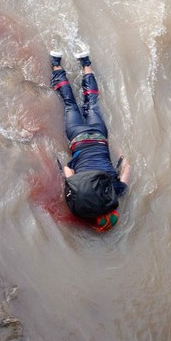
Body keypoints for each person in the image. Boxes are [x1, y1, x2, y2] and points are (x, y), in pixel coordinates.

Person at [51, 46, 130, 232]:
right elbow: (67, 170)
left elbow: (127, 164)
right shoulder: (80, 195)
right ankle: (56, 64)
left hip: (99, 136)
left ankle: (85, 62)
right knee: (69, 104)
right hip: (77, 137)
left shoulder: (117, 191)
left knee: (92, 103)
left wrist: (115, 148)